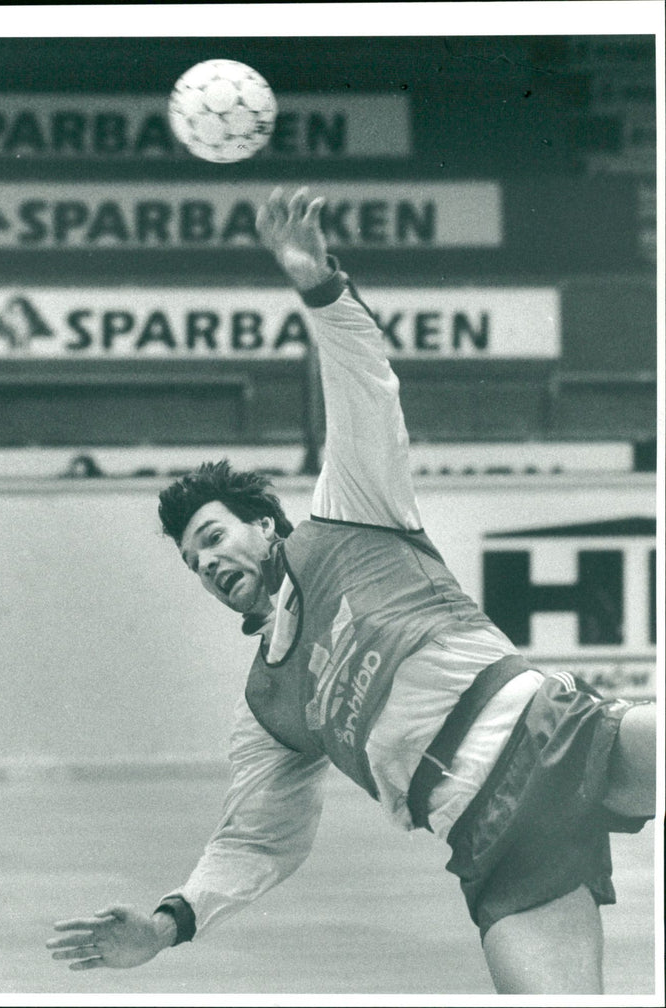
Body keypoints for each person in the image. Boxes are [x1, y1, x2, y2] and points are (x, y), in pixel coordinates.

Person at [46, 187, 656, 995]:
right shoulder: (268, 704)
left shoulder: (352, 517)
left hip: (563, 733)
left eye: (214, 537)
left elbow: (366, 384)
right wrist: (164, 927)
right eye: (194, 564)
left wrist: (318, 284)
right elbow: (256, 843)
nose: (208, 564)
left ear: (266, 523)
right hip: (493, 840)